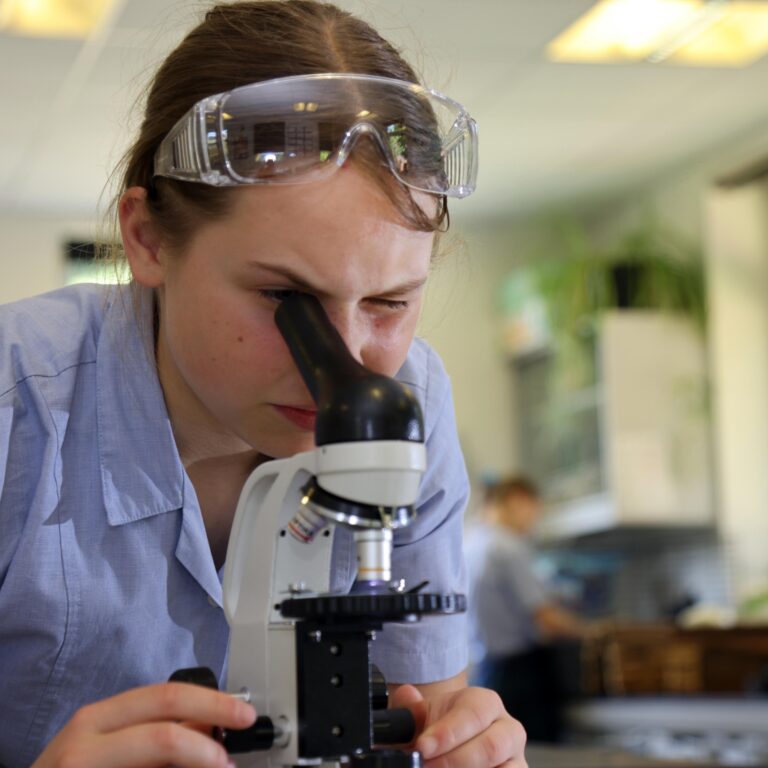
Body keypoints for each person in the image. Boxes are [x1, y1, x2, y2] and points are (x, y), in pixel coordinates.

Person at [0, 2, 527, 766]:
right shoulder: (18, 411)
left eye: (388, 303)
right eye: (286, 299)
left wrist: (465, 746)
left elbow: (425, 707)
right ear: (148, 240)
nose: (348, 366)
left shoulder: (410, 401)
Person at [466, 476, 583, 743]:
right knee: (536, 753)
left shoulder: (470, 544)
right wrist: (589, 631)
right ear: (517, 501)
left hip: (485, 671)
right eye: (535, 509)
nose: (534, 519)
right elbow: (546, 616)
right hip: (520, 676)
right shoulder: (508, 548)